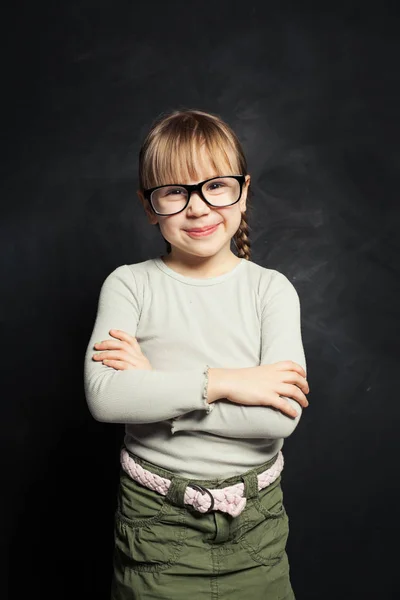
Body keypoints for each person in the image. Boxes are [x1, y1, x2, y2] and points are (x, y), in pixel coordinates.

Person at [83, 108, 310, 600]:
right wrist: (225, 381)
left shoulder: (271, 291)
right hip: (156, 525)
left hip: (257, 528)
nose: (199, 208)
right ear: (150, 206)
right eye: (174, 192)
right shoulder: (129, 285)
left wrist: (160, 397)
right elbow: (106, 399)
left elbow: (279, 418)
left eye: (216, 186)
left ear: (243, 190)